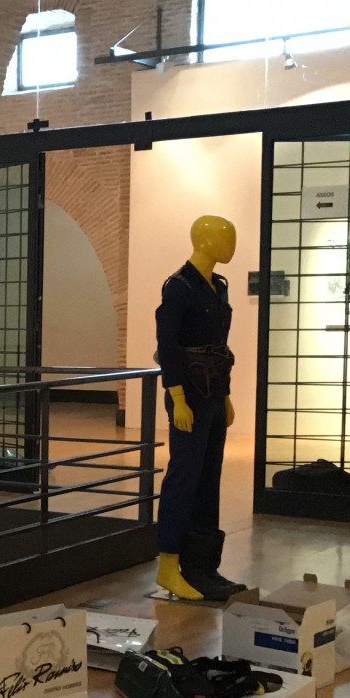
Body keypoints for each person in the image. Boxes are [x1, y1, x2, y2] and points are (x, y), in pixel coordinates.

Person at [153, 215, 247, 602]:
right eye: (225, 237)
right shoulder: (179, 287)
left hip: (211, 394)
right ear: (204, 240)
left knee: (209, 478)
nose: (231, 245)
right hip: (189, 396)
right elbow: (168, 347)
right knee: (183, 477)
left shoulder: (218, 287)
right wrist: (176, 397)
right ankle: (168, 565)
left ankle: (202, 565)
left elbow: (219, 349)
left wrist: (225, 396)